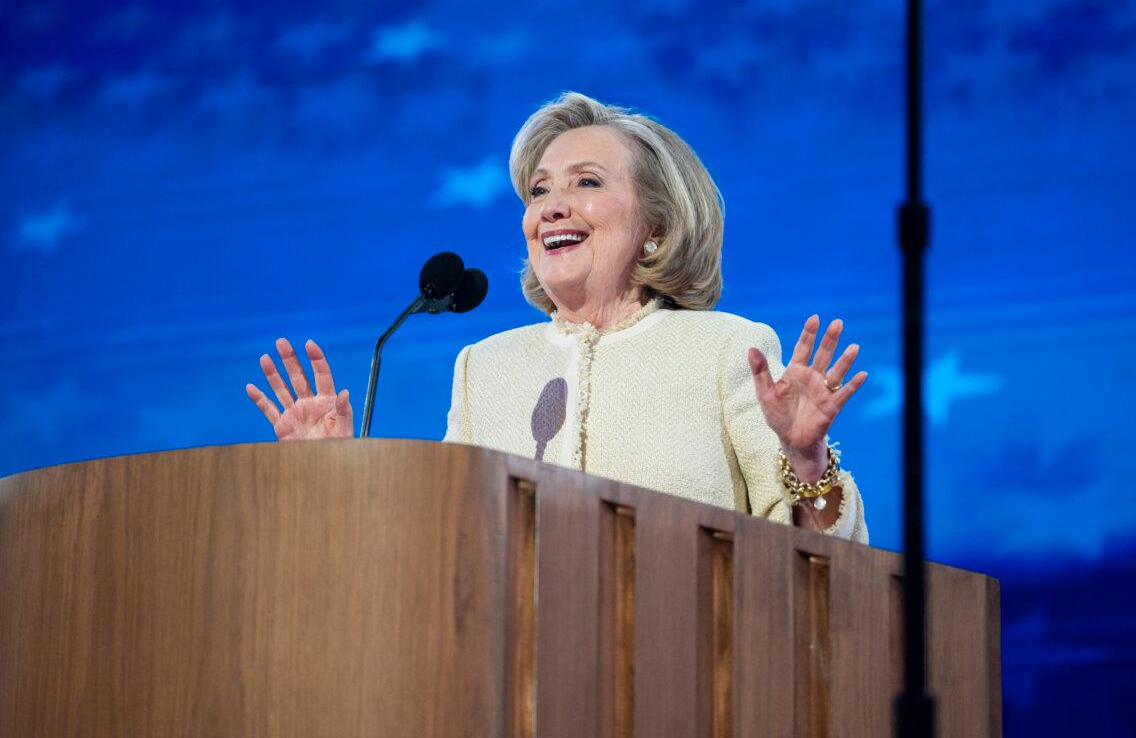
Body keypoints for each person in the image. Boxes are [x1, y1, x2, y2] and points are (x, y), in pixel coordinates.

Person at [246, 92, 869, 542]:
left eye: (586, 183)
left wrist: (807, 461)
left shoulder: (726, 349)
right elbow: (436, 543)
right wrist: (329, 478)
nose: (551, 208)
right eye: (539, 191)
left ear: (655, 226)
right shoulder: (484, 367)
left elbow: (826, 559)